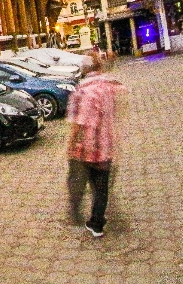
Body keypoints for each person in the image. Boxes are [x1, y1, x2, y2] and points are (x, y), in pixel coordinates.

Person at [66, 51, 125, 238]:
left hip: (85, 149)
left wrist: (70, 144)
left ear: (84, 70)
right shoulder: (110, 85)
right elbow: (121, 101)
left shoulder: (82, 90)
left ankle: (76, 215)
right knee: (101, 188)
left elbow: (79, 122)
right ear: (98, 67)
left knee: (77, 182)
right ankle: (97, 223)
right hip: (106, 146)